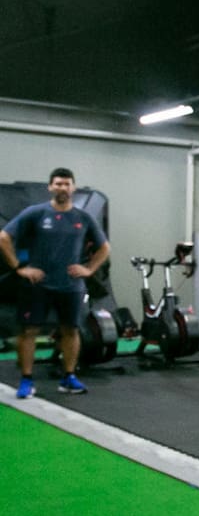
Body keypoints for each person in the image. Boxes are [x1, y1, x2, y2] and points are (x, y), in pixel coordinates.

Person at [0, 167, 110, 398]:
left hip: (70, 286)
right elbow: (4, 237)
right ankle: (27, 380)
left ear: (73, 188)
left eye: (66, 184)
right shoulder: (35, 213)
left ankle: (68, 377)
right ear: (50, 187)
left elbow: (104, 248)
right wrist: (19, 268)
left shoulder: (83, 218)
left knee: (70, 331)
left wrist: (89, 269)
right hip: (37, 285)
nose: (62, 188)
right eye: (58, 184)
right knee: (29, 331)